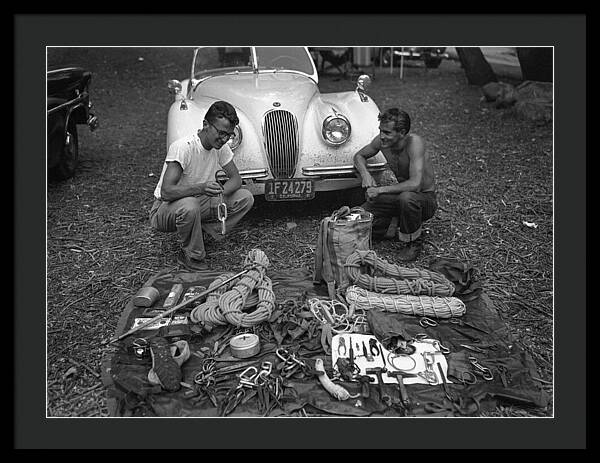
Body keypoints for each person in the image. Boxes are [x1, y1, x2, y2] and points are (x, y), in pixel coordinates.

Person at [149, 101, 254, 270]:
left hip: (198, 202)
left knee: (245, 197)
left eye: (229, 135)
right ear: (205, 124)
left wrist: (220, 194)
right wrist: (201, 188)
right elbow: (166, 192)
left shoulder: (220, 148)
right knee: (190, 205)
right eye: (221, 133)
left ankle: (202, 232)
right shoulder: (183, 147)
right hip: (164, 209)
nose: (224, 139)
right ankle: (192, 256)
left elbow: (236, 179)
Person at [353, 108, 437, 261]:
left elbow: (415, 184)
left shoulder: (414, 143)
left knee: (406, 198)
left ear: (402, 132)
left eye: (387, 132)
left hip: (424, 200)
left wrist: (380, 190)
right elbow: (359, 156)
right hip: (402, 196)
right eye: (381, 131)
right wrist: (365, 174)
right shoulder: (382, 141)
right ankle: (392, 226)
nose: (382, 136)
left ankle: (413, 243)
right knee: (364, 211)